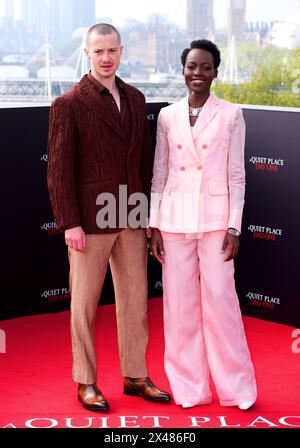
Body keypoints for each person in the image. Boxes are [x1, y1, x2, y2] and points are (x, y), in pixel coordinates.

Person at [47, 23, 171, 412]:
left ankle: (135, 375)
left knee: (135, 301)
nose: (106, 58)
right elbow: (59, 170)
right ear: (87, 53)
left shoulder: (136, 98)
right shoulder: (68, 104)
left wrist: (150, 216)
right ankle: (85, 381)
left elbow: (145, 162)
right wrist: (69, 222)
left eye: (112, 51)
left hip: (131, 214)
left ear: (122, 52)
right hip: (89, 218)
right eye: (98, 51)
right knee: (83, 304)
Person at [149, 39, 257, 410]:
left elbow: (237, 176)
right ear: (182, 70)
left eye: (205, 67)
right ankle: (189, 389)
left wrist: (234, 227)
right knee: (178, 309)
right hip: (175, 221)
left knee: (222, 305)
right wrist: (155, 225)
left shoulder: (230, 114)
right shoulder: (167, 115)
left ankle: (237, 389)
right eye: (192, 66)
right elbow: (160, 172)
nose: (198, 73)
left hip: (214, 222)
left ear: (215, 72)